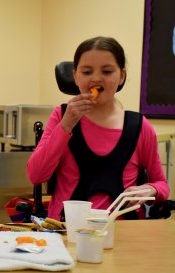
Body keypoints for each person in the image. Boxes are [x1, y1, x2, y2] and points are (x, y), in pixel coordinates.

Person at [26, 36, 170, 220]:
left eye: (107, 71)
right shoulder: (61, 116)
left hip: (124, 233)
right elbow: (36, 175)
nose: (96, 78)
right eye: (86, 72)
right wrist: (66, 125)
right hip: (67, 230)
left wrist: (151, 189)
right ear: (75, 76)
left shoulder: (140, 126)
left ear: (121, 76)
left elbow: (162, 185)